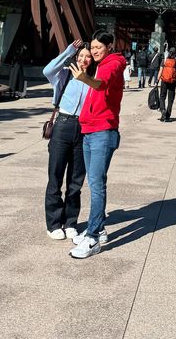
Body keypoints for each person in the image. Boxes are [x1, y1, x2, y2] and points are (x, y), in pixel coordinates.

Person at [67, 30, 126, 259]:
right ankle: (99, 229)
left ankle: (92, 237)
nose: (94, 51)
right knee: (93, 182)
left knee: (96, 183)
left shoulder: (113, 63)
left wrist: (85, 79)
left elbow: (101, 85)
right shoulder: (100, 64)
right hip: (89, 129)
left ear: (109, 46)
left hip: (103, 131)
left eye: (98, 47)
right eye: (92, 48)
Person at [42, 39, 95, 240]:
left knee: (76, 180)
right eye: (81, 56)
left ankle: (71, 221)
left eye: (87, 57)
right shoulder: (63, 75)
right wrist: (68, 51)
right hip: (62, 125)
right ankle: (54, 224)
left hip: (83, 128)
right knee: (55, 177)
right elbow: (47, 70)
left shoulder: (92, 79)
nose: (84, 60)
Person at [157, 50, 176, 122]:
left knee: (162, 97)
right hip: (173, 82)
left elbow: (160, 71)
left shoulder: (164, 60)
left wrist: (157, 81)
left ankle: (163, 111)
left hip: (164, 81)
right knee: (170, 99)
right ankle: (167, 116)